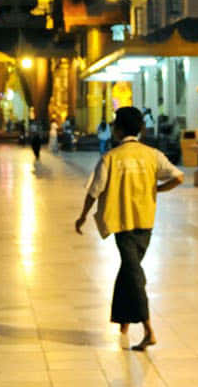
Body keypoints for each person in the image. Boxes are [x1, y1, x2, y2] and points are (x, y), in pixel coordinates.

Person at [74, 105, 185, 351]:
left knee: (134, 273)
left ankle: (148, 330)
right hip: (145, 222)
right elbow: (178, 177)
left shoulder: (111, 158)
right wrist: (156, 189)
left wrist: (82, 216)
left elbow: (94, 191)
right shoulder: (152, 155)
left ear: (119, 129)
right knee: (130, 269)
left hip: (122, 223)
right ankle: (123, 319)